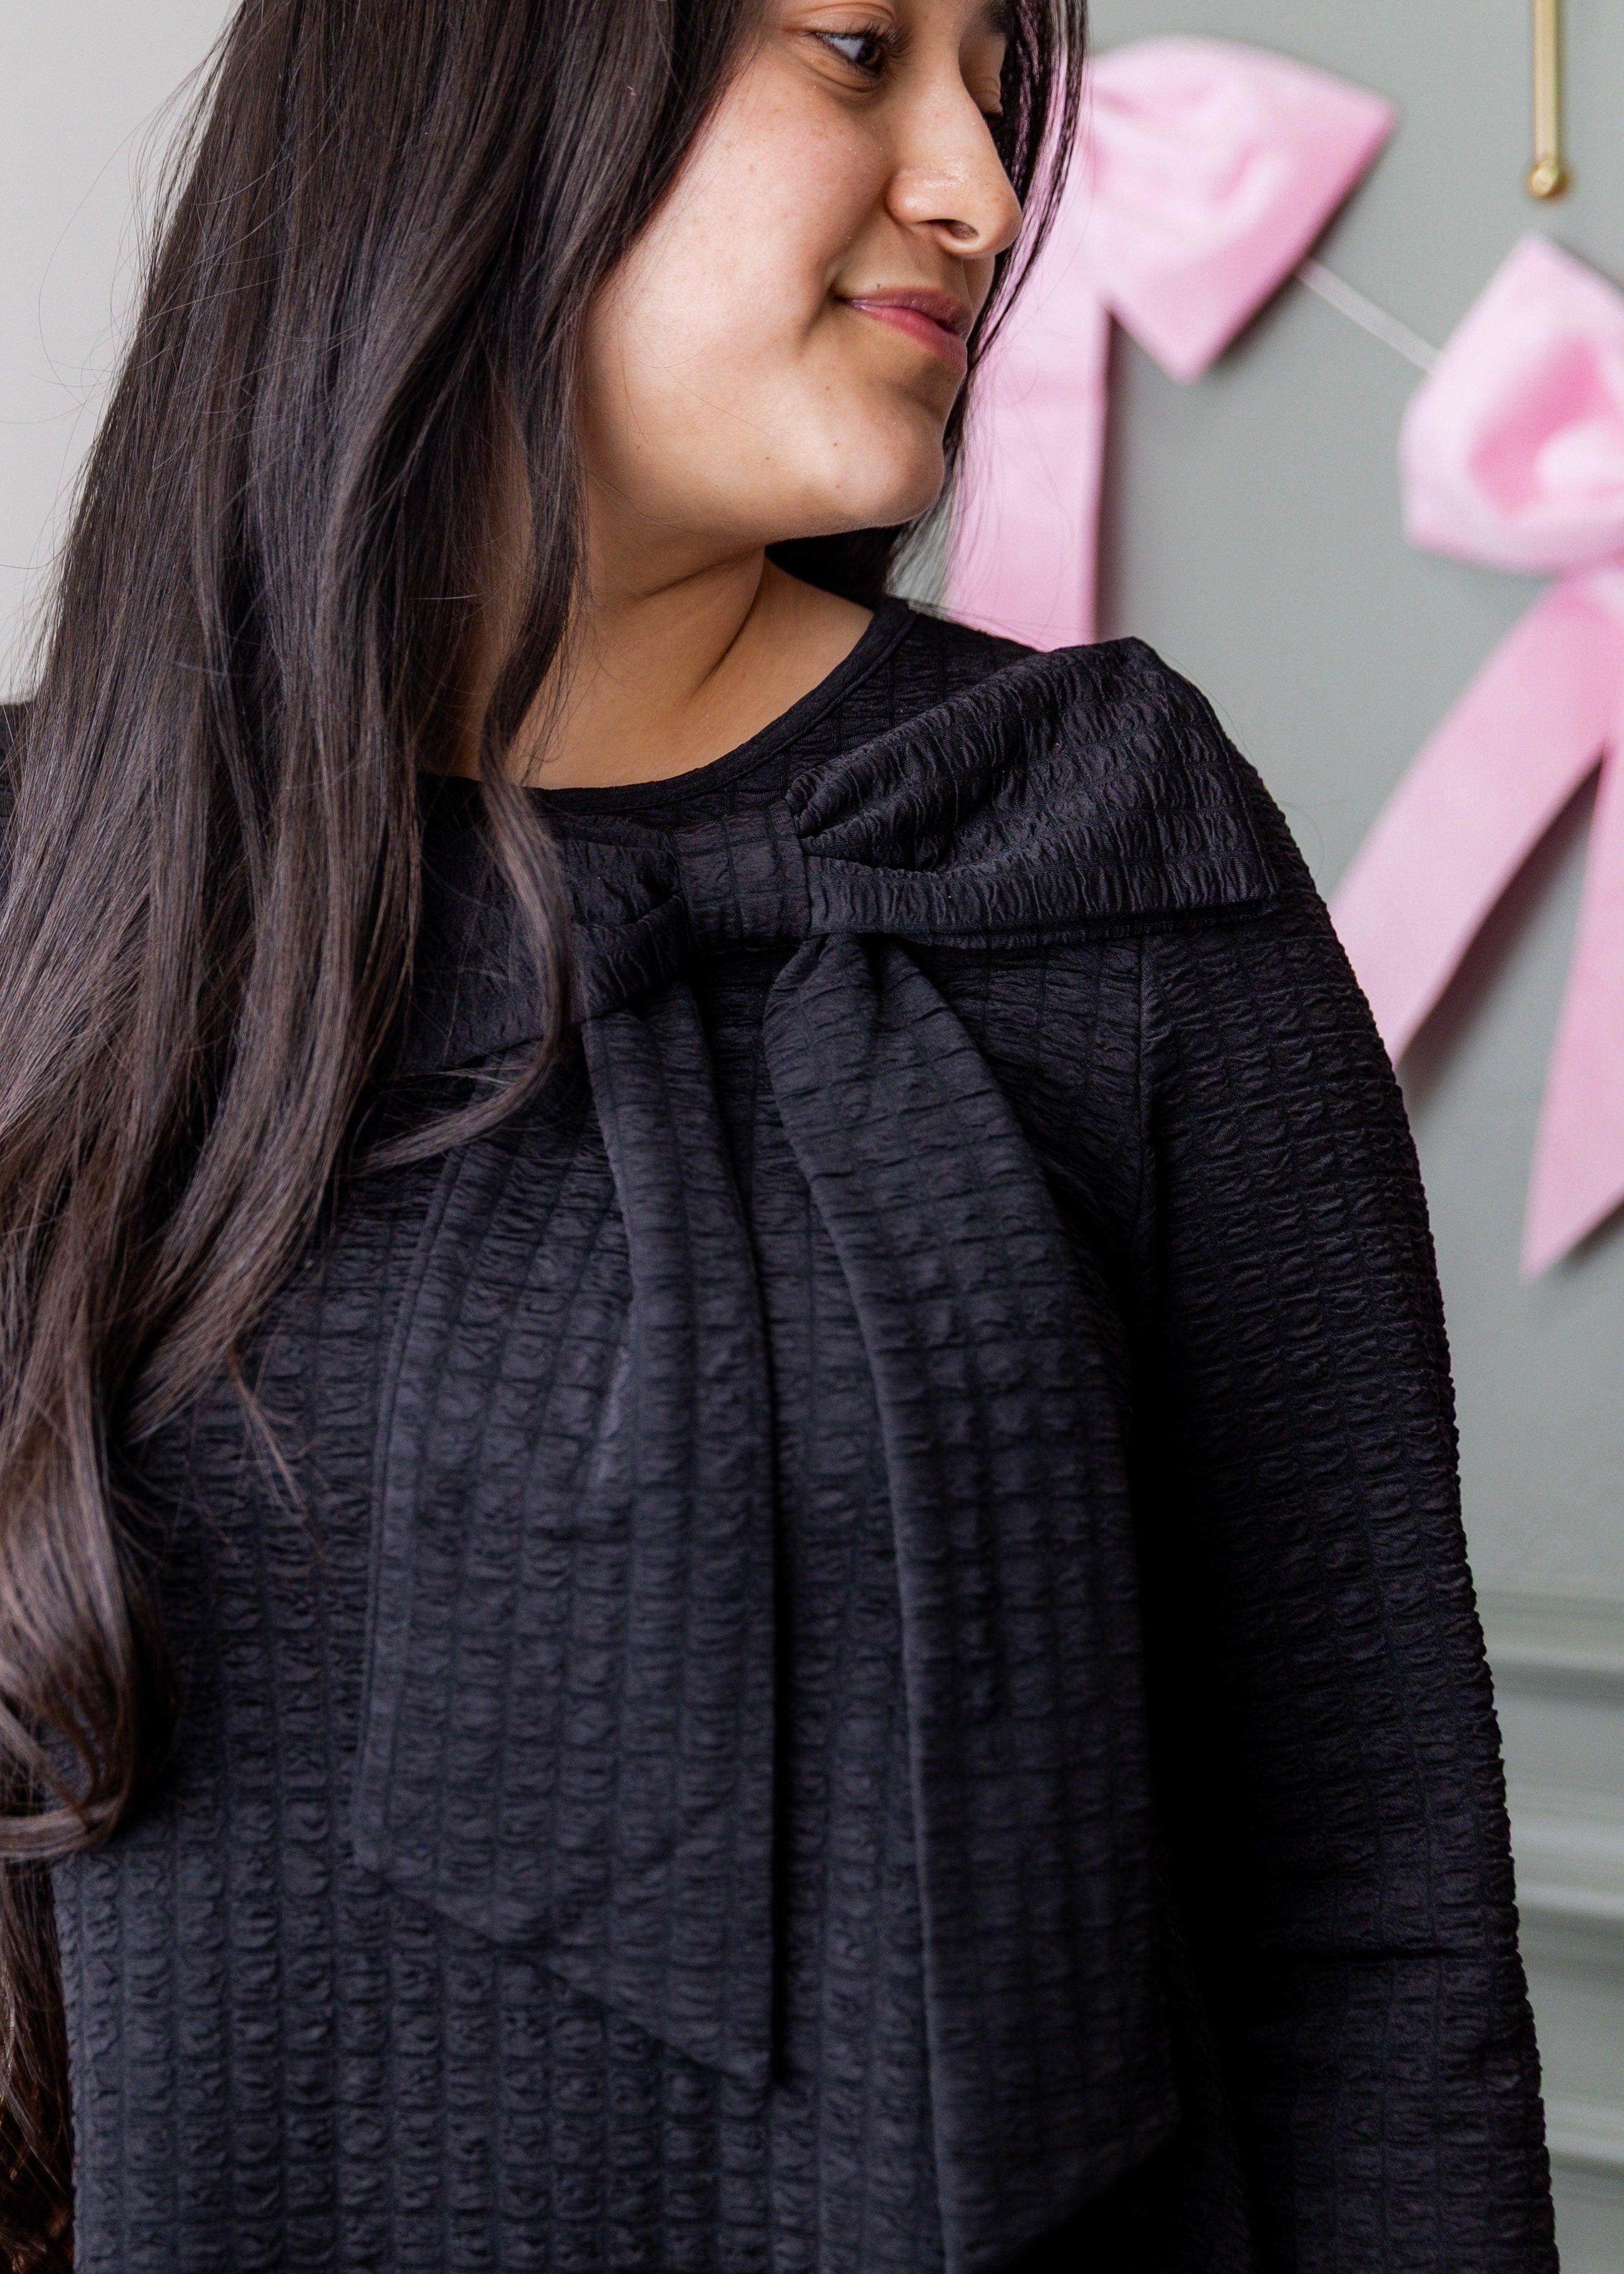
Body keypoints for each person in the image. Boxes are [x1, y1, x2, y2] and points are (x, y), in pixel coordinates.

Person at [0, 1, 1558, 2268]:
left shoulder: (1091, 850)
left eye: (998, 100)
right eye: (853, 48)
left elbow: (1369, 1917)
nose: (984, 195)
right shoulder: (52, 887)